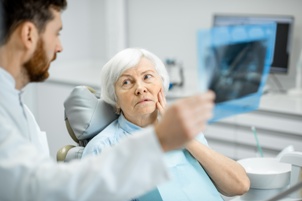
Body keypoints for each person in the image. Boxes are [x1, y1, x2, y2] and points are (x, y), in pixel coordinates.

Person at [0, 0, 216, 200]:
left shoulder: (16, 105)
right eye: (56, 33)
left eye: (147, 77)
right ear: (29, 34)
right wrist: (158, 141)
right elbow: (40, 187)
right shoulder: (104, 144)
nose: (60, 47)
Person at [82, 48, 250, 200]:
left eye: (147, 77)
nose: (140, 88)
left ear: (161, 86)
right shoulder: (103, 148)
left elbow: (240, 185)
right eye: (126, 82)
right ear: (115, 100)